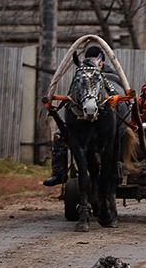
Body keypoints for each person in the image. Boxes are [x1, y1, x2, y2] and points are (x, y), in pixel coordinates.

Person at [41, 44, 123, 188]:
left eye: (95, 60)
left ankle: (114, 168)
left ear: (101, 62)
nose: (92, 62)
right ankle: (58, 172)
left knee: (118, 137)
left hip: (105, 122)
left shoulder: (111, 77)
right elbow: (72, 98)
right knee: (59, 135)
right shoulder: (80, 76)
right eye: (89, 59)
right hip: (82, 120)